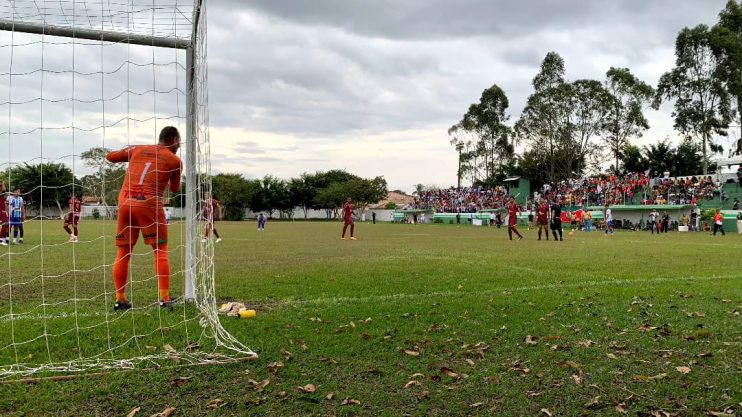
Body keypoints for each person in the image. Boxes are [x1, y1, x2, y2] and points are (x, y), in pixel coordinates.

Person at [106, 126, 182, 311]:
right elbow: (174, 190)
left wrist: (130, 152)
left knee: (123, 252)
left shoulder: (137, 149)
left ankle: (120, 299)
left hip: (125, 203)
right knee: (160, 250)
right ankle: (165, 298)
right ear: (173, 140)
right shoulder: (175, 160)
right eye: (179, 142)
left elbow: (110, 157)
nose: (179, 145)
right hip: (148, 204)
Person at [0, 181, 8, 246]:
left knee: (6, 224)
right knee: (5, 223)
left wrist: (6, 211)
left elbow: (4, 190)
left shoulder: (3, 194)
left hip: (2, 211)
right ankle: (2, 239)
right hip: (0, 211)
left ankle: (2, 239)